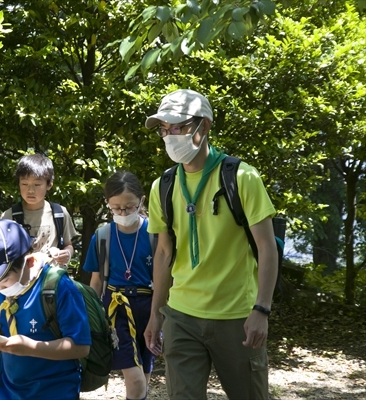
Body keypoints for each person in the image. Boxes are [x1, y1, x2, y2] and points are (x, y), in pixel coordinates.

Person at [143, 89, 278, 400]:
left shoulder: (241, 177)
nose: (168, 136)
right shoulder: (162, 186)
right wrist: (156, 313)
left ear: (203, 127)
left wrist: (261, 310)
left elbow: (267, 247)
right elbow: (164, 253)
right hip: (181, 316)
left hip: (236, 317)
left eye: (177, 127)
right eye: (164, 129)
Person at [0, 219, 91, 400]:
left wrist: (31, 347)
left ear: (29, 262)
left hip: (55, 391)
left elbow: (81, 347)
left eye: (3, 279)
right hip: (9, 390)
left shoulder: (58, 287)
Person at [82, 171, 155, 400]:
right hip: (115, 310)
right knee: (134, 378)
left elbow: (166, 278)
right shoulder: (102, 236)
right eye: (116, 208)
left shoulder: (154, 233)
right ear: (108, 205)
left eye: (129, 207)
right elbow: (95, 281)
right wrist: (92, 318)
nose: (122, 213)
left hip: (148, 308)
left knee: (144, 375)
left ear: (141, 201)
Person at [1, 154, 76, 269]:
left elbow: (68, 245)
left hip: (53, 280)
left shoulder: (60, 213)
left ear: (49, 184)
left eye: (37, 184)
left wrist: (67, 254)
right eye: (25, 184)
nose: (30, 190)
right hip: (22, 283)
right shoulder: (8, 216)